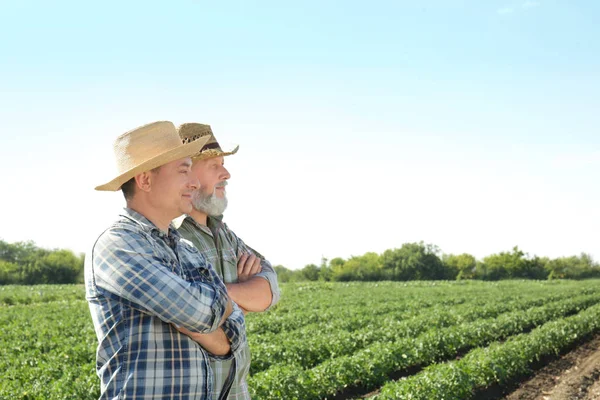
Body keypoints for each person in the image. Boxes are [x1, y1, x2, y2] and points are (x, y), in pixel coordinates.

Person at [85, 121, 247, 400]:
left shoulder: (186, 248)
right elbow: (201, 313)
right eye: (183, 170)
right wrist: (216, 306)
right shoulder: (117, 246)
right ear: (145, 180)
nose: (194, 181)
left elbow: (234, 337)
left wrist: (212, 311)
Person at [173, 123, 281, 399]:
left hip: (235, 391)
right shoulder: (169, 235)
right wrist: (240, 295)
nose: (226, 174)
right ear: (186, 172)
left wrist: (217, 295)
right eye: (214, 165)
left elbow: (270, 290)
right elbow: (190, 315)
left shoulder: (225, 234)